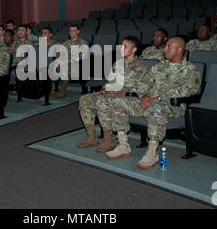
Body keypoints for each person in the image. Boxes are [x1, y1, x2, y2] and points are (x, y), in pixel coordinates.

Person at [96, 37, 201, 168]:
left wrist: (159, 98)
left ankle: (152, 152)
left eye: (169, 46)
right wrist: (144, 95)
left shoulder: (190, 70)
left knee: (155, 108)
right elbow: (143, 84)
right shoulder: (159, 66)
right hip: (149, 101)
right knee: (117, 102)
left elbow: (189, 91)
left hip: (173, 106)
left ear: (180, 49)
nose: (165, 49)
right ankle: (123, 144)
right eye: (166, 46)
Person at [77, 36, 148, 155]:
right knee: (85, 99)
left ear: (134, 49)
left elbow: (143, 89)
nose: (121, 48)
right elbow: (110, 81)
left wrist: (124, 92)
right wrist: (104, 89)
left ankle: (108, 139)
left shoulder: (141, 67)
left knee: (102, 102)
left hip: (130, 99)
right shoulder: (118, 64)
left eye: (125, 46)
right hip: (112, 95)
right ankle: (91, 137)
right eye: (121, 46)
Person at [57, 24, 89, 98]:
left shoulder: (83, 43)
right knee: (50, 66)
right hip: (64, 62)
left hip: (77, 64)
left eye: (73, 30)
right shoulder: (66, 43)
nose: (71, 32)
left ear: (78, 32)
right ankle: (51, 89)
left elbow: (83, 56)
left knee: (66, 67)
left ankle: (62, 90)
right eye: (70, 31)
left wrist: (70, 60)